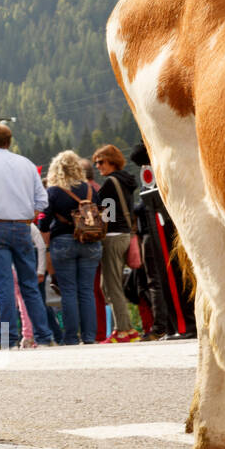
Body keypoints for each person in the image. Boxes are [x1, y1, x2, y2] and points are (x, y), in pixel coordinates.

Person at [0, 122, 54, 348]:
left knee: (4, 287)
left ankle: (8, 340)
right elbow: (42, 201)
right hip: (23, 227)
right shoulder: (26, 164)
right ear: (9, 141)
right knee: (30, 285)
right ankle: (44, 337)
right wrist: (26, 218)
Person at [39, 150, 102, 344]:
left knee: (68, 291)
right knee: (87, 290)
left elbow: (43, 222)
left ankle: (71, 337)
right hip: (91, 242)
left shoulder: (54, 191)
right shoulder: (91, 190)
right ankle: (90, 336)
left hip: (63, 242)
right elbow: (103, 213)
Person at [93, 144, 140, 342]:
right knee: (108, 285)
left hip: (112, 237)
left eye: (101, 162)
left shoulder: (110, 183)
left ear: (111, 161)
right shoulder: (126, 181)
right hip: (126, 235)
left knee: (112, 286)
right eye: (96, 163)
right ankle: (124, 328)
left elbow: (109, 215)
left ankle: (124, 330)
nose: (98, 166)